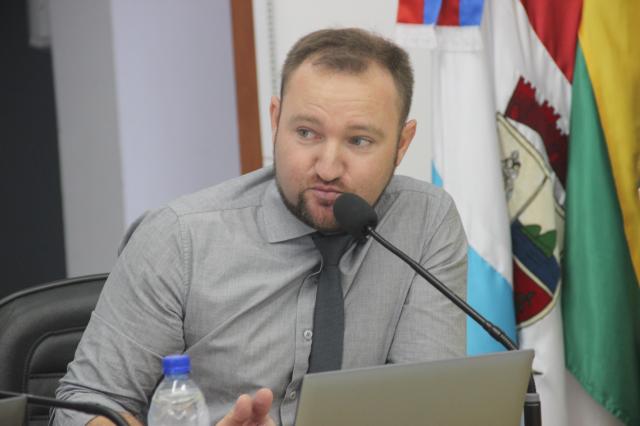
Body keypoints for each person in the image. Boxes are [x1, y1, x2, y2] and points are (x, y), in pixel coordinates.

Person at [53, 28, 467, 426]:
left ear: (402, 143)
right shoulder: (179, 238)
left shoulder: (425, 222)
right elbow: (81, 408)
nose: (327, 168)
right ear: (275, 119)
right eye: (306, 133)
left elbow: (429, 404)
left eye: (359, 141)